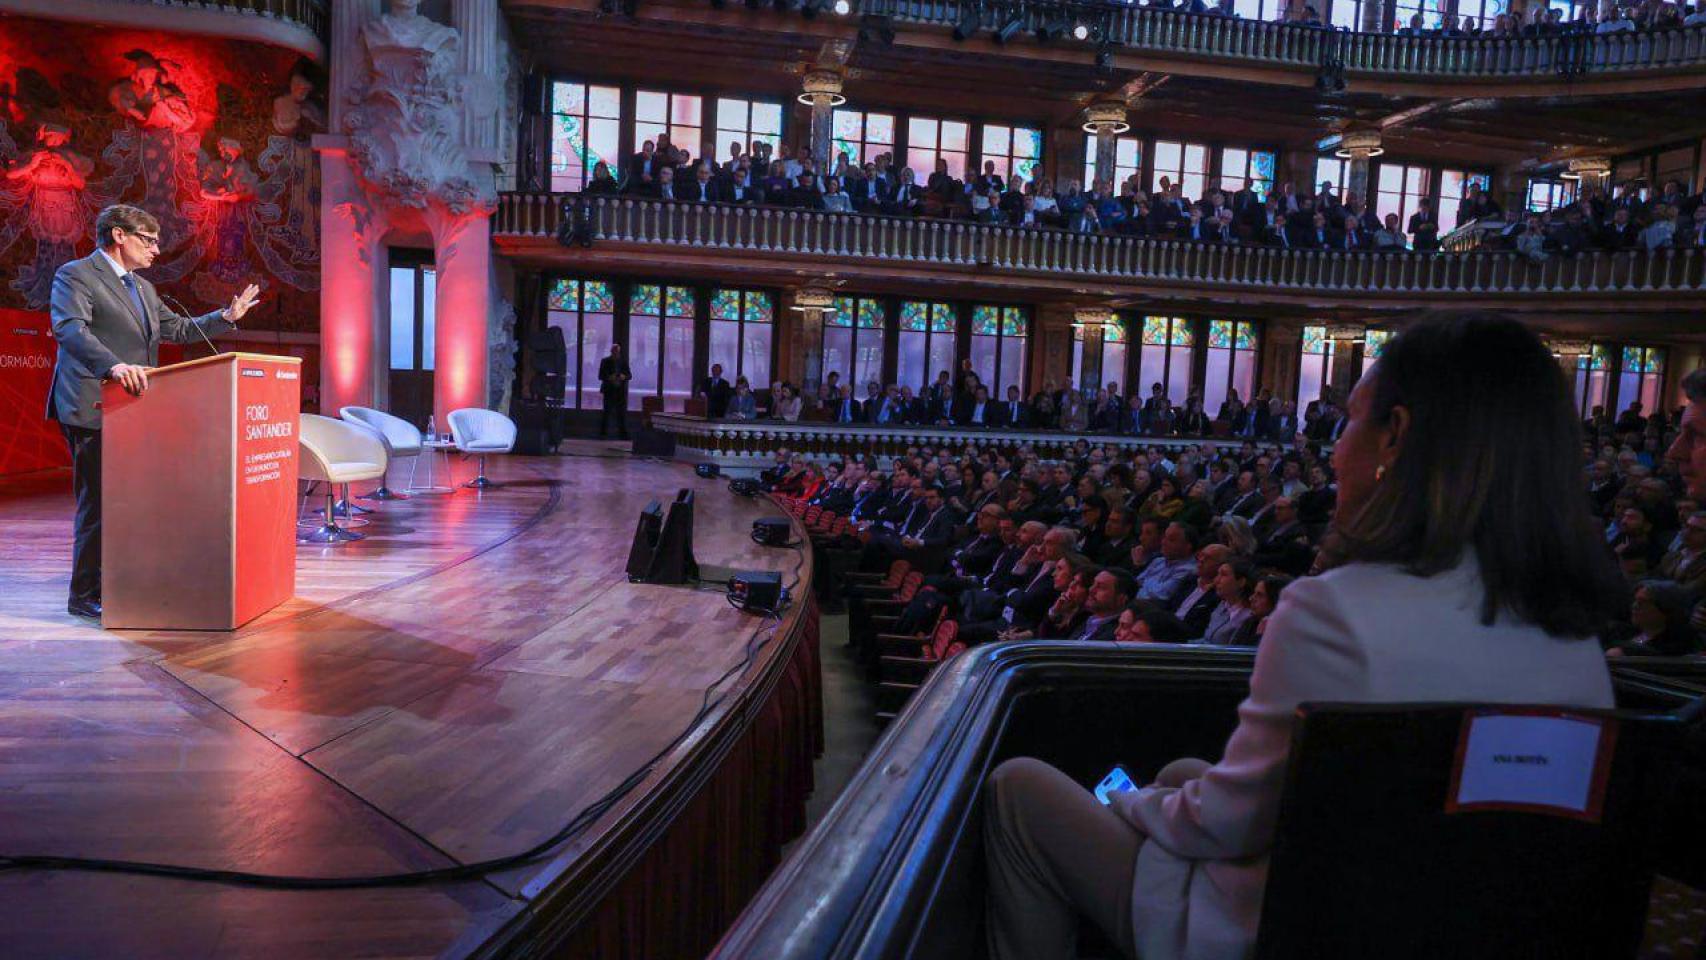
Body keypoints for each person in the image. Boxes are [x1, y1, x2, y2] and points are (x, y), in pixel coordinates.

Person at [983, 313, 1621, 960]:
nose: (1336, 451)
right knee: (1182, 771)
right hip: (1459, 926)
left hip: (1299, 928)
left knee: (1018, 790)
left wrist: (1134, 807)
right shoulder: (1576, 641)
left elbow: (1229, 822)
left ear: (1396, 436)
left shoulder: (1333, 612)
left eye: (1348, 422)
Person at [47, 203, 258, 620]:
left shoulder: (142, 288)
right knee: (100, 502)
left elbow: (176, 329)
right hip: (93, 405)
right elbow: (70, 328)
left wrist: (226, 316)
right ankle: (84, 594)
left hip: (136, 409)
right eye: (149, 240)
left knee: (131, 502)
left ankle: (120, 581)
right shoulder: (75, 275)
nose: (157, 250)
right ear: (119, 235)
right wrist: (113, 366)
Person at [597, 342, 631, 439]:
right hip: (609, 391)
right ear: (611, 351)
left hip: (620, 391)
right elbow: (600, 376)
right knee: (606, 413)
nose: (616, 353)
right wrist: (609, 377)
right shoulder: (605, 361)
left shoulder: (623, 362)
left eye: (617, 352)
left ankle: (622, 434)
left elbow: (629, 375)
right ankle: (603, 434)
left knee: (621, 414)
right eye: (614, 351)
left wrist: (623, 376)